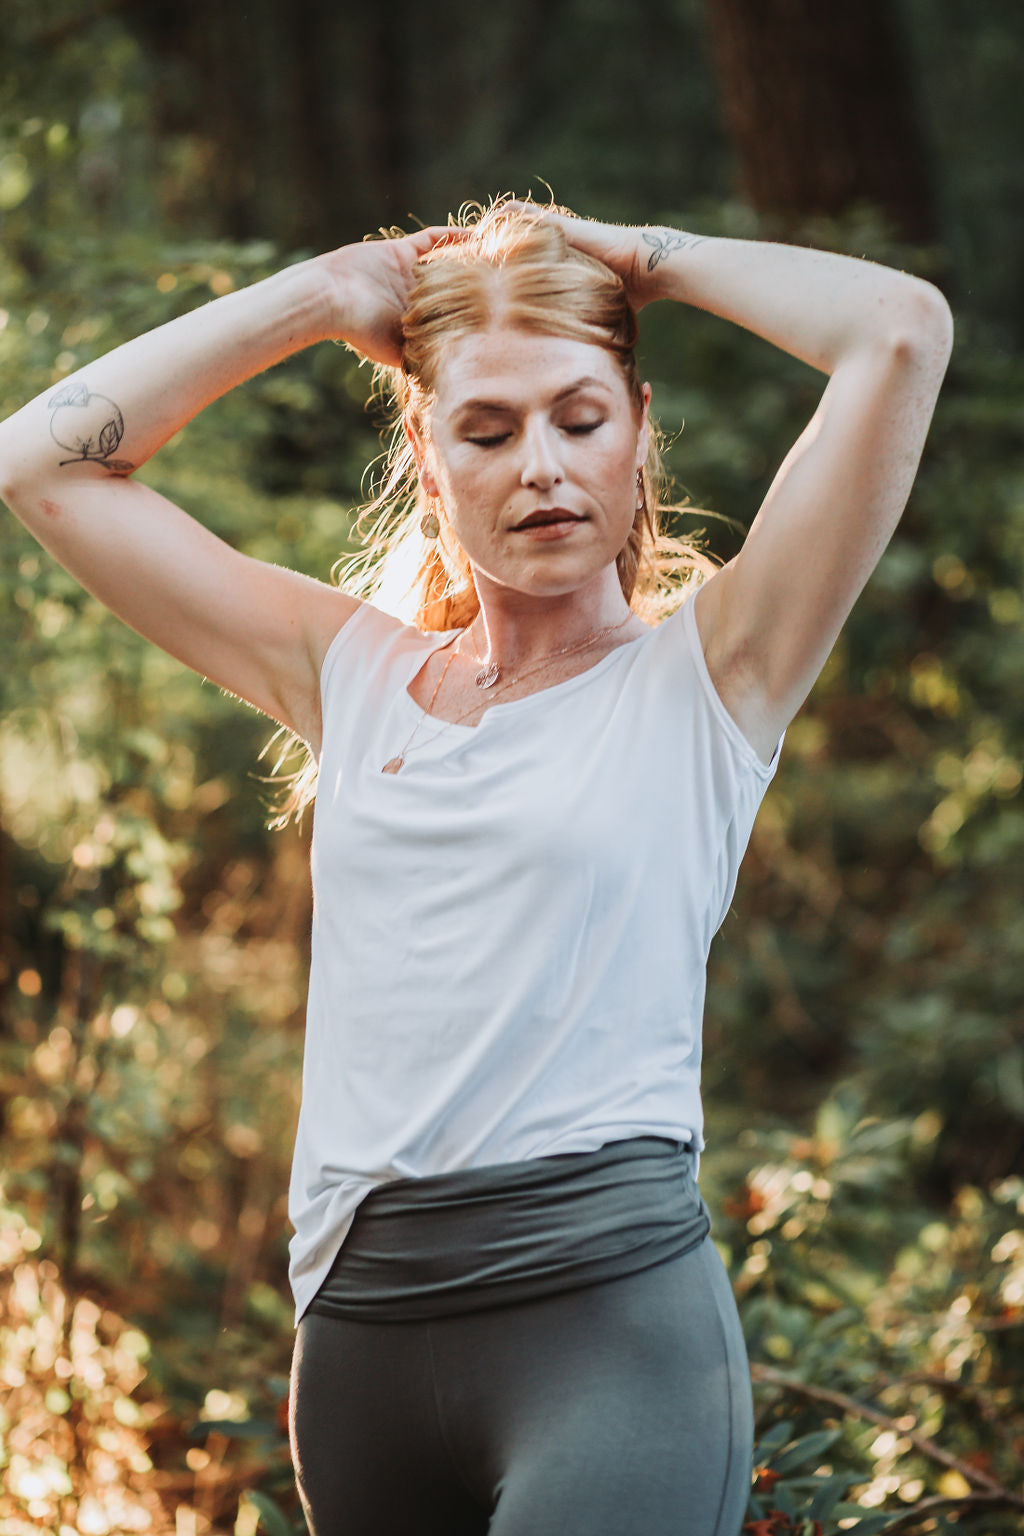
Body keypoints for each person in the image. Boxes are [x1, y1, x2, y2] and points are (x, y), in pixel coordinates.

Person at [0, 197, 953, 1536]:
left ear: (637, 435)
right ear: (428, 458)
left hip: (608, 1333)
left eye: (581, 417)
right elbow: (41, 465)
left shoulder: (714, 677)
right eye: (488, 431)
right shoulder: (353, 678)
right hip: (359, 1344)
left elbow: (900, 332)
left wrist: (638, 260)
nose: (543, 469)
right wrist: (329, 291)